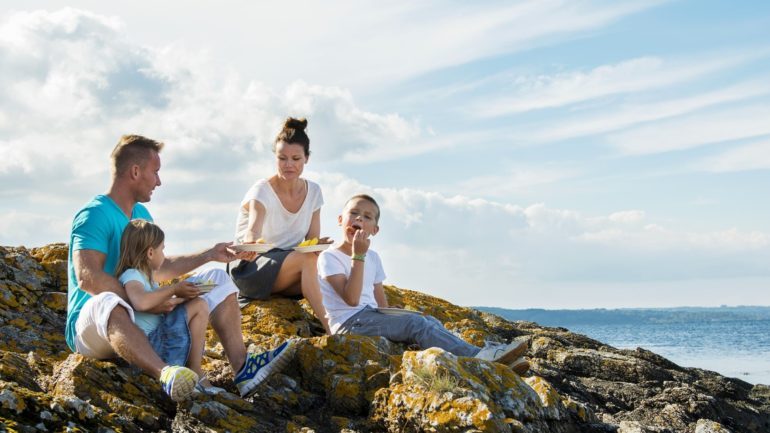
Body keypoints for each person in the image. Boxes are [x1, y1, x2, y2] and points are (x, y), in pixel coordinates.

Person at [66, 134, 294, 402]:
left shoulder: (141, 216)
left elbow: (159, 269)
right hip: (96, 325)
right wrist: (145, 302)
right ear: (136, 171)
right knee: (107, 301)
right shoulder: (95, 214)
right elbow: (88, 278)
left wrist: (210, 254)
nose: (159, 181)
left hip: (144, 313)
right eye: (155, 172)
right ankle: (168, 375)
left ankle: (243, 369)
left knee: (217, 278)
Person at [317, 194, 531, 373]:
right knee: (415, 325)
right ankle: (480, 358)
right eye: (353, 213)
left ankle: (491, 361)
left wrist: (393, 313)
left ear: (375, 230)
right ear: (340, 219)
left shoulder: (373, 257)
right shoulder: (330, 257)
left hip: (369, 316)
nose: (359, 219)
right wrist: (358, 256)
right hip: (348, 324)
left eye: (367, 217)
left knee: (427, 321)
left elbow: (379, 303)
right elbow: (352, 300)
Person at [231, 117, 330, 333]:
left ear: (307, 159)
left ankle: (353, 316)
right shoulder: (262, 190)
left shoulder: (314, 192)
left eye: (296, 158)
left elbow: (311, 241)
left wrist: (319, 245)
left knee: (328, 269)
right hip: (252, 267)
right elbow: (253, 230)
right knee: (307, 260)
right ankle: (332, 326)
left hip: (289, 267)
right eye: (282, 158)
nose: (289, 164)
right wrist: (250, 243)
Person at [116, 219, 226, 394]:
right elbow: (141, 302)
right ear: (151, 253)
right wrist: (174, 288)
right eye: (163, 249)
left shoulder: (147, 278)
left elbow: (153, 304)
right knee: (199, 306)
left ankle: (193, 374)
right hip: (155, 344)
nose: (165, 254)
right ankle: (196, 371)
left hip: (160, 339)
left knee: (197, 303)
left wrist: (181, 297)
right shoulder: (132, 275)